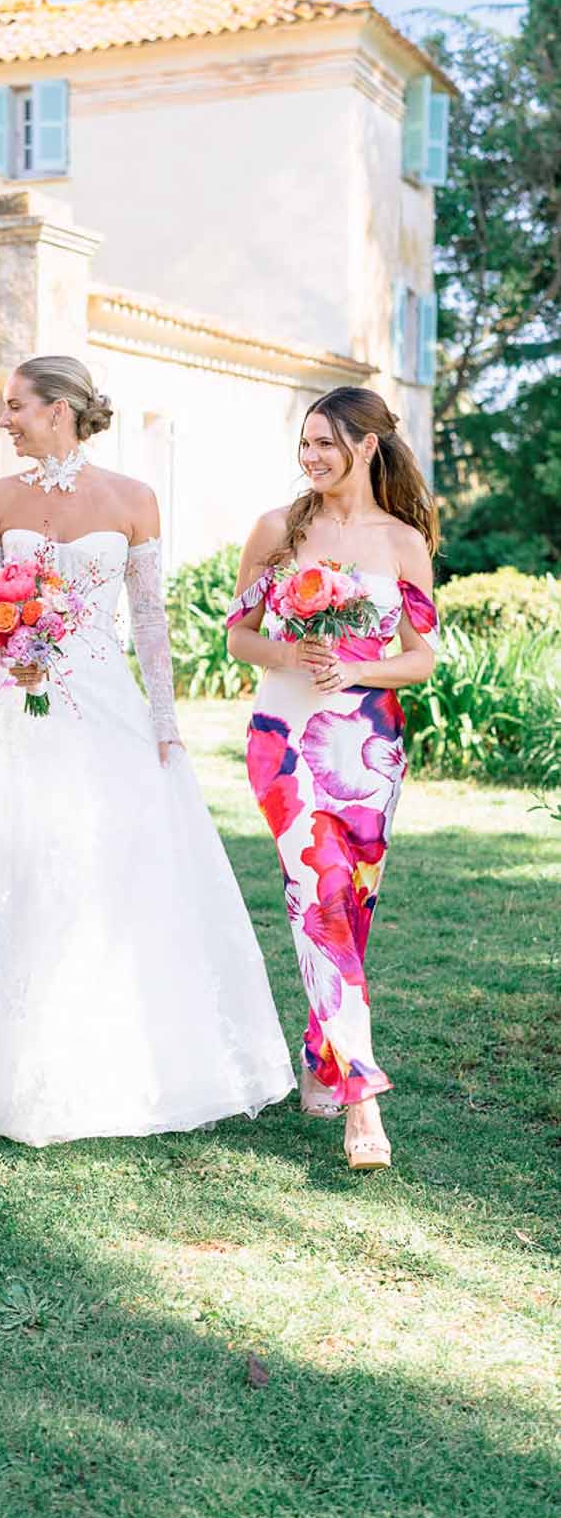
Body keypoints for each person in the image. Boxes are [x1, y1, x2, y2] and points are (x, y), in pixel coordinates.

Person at [0, 355, 295, 1147]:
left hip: (101, 698)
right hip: (9, 700)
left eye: (16, 405)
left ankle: (90, 1023)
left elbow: (147, 618)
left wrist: (162, 719)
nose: (4, 419)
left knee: (98, 855)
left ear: (60, 409)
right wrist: (4, 655)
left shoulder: (133, 499)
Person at [225, 387, 439, 1172]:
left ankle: (324, 1055)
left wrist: (353, 664)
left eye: (325, 444)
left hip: (369, 744)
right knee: (317, 897)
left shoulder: (402, 543)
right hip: (283, 738)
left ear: (367, 446)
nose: (311, 458)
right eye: (304, 444)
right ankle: (361, 1100)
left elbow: (419, 657)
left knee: (349, 905)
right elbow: (239, 636)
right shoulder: (278, 531)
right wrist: (289, 654)